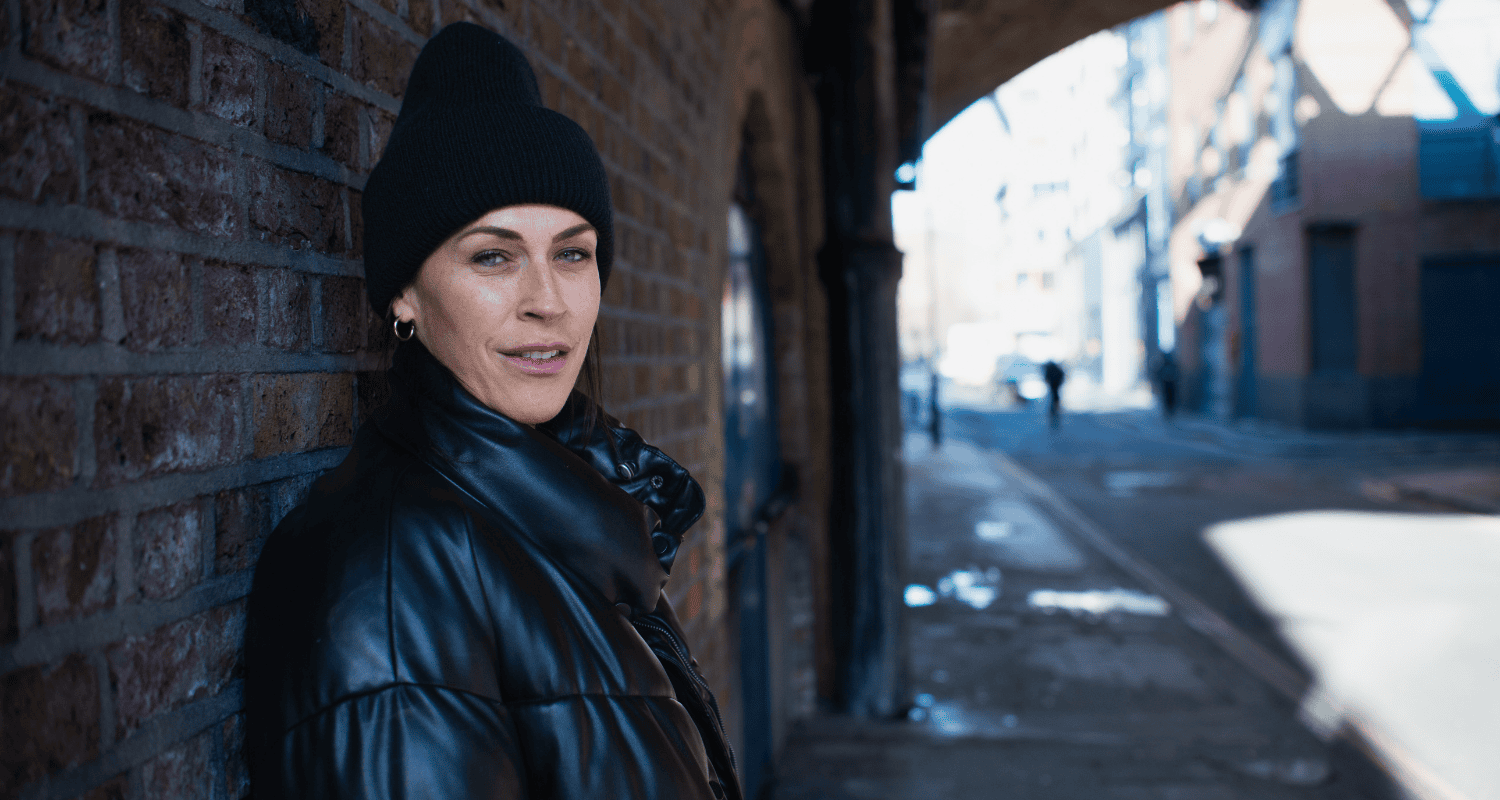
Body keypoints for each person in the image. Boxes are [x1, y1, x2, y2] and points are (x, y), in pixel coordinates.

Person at [243, 24, 740, 800]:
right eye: (493, 256)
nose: (548, 303)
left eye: (572, 253)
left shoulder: (581, 516)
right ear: (405, 294)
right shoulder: (392, 574)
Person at [1043, 360, 1066, 426]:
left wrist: (1048, 381)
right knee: (1055, 395)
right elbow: (1062, 375)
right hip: (1056, 384)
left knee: (1054, 395)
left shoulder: (1050, 369)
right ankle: (1055, 408)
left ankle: (1054, 408)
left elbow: (1047, 376)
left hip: (1053, 384)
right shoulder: (1056, 368)